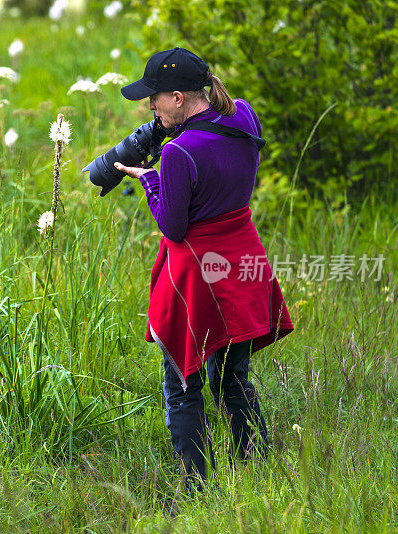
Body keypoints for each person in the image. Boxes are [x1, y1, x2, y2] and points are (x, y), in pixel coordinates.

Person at [113, 47, 294, 482]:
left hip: (198, 277)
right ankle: (256, 469)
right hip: (244, 263)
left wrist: (150, 179)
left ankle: (197, 486)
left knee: (182, 386)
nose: (149, 107)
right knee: (233, 379)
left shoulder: (178, 154)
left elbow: (173, 229)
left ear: (177, 98)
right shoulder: (244, 114)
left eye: (153, 98)